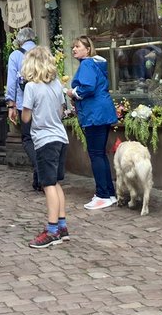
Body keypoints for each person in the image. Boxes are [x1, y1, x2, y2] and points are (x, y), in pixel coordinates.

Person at [22, 47, 70, 247]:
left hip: (44, 140)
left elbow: (26, 117)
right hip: (61, 138)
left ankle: (52, 231)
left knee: (48, 185)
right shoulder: (57, 85)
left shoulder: (31, 87)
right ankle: (62, 225)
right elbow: (60, 112)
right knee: (56, 183)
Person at [65, 34, 117, 210]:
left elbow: (87, 86)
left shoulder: (87, 63)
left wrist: (73, 93)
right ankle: (109, 193)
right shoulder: (96, 63)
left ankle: (102, 195)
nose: (74, 49)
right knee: (100, 154)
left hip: (95, 114)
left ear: (88, 49)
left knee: (96, 154)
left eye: (78, 46)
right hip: (102, 112)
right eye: (73, 46)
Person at [5, 27, 40, 191]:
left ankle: (40, 169)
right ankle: (38, 179)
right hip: (44, 103)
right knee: (41, 137)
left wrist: (11, 105)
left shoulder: (16, 55)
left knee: (27, 139)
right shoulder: (42, 52)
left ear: (20, 40)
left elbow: (12, 82)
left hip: (24, 103)